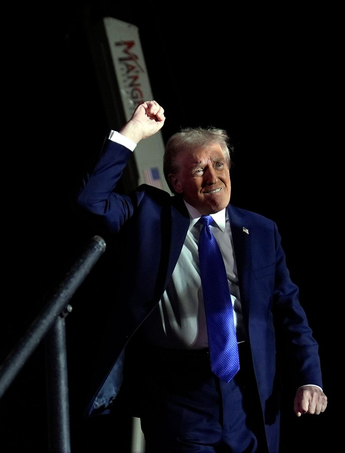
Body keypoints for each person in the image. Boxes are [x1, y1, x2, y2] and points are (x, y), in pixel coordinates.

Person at [76, 101, 326, 452]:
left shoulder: (261, 229)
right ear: (175, 181)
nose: (213, 177)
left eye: (219, 164)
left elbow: (290, 313)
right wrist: (132, 132)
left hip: (248, 389)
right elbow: (91, 200)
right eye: (197, 170)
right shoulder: (148, 214)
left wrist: (310, 380)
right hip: (178, 394)